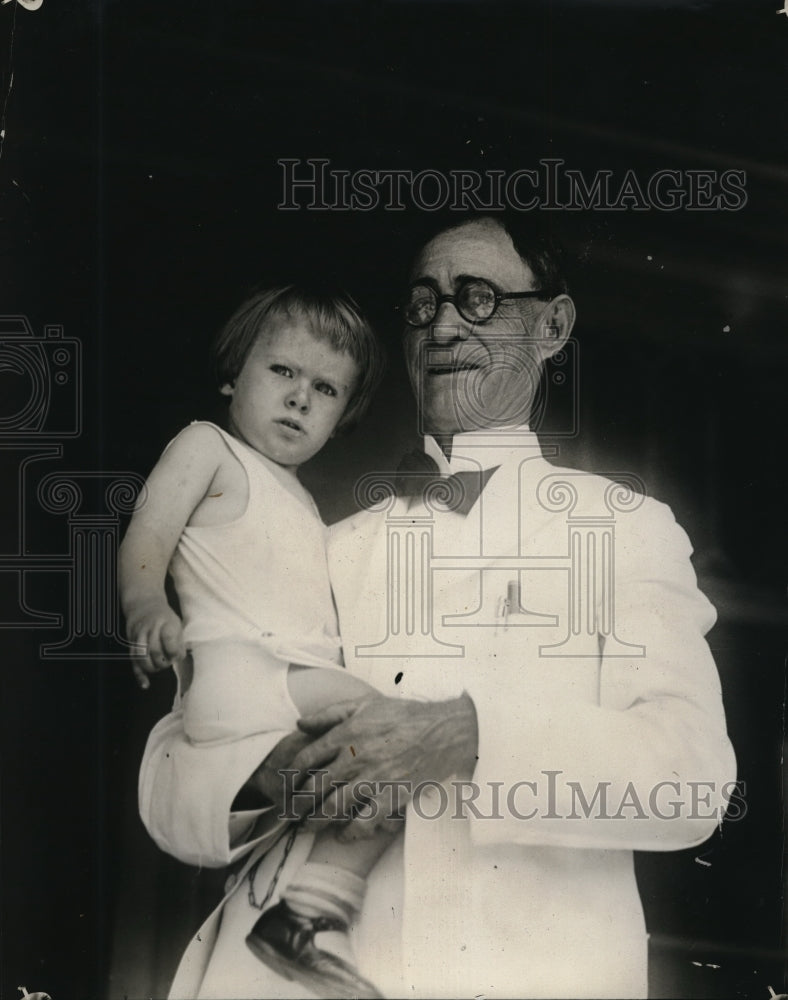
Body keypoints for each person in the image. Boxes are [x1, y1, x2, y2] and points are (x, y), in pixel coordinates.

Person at [137, 214, 736, 999]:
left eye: (477, 297)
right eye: (423, 304)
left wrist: (472, 734)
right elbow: (172, 765)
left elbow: (691, 779)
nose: (445, 324)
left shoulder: (624, 529)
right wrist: (259, 776)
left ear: (552, 326)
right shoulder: (325, 543)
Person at [119, 285, 390, 998]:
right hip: (243, 675)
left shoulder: (303, 503)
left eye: (326, 388)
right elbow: (146, 536)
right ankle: (309, 918)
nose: (301, 398)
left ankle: (304, 917)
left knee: (384, 772)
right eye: (282, 372)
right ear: (234, 373)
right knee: (404, 736)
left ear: (343, 415)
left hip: (284, 690)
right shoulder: (206, 448)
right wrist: (145, 603)